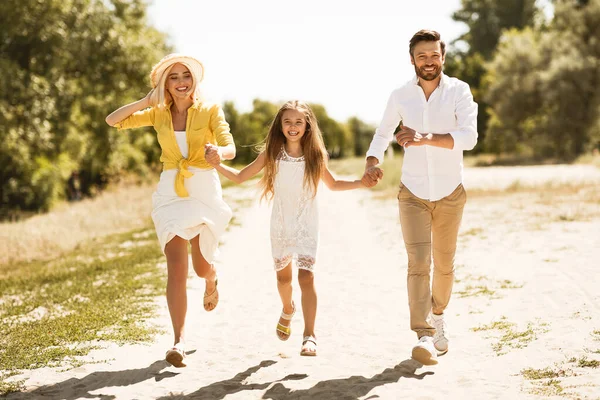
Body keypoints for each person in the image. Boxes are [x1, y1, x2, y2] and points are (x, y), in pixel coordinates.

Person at [205, 100, 366, 356]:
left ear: (307, 125)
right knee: (283, 279)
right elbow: (239, 177)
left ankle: (310, 335)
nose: (293, 126)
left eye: (298, 122)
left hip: (306, 224)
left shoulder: (316, 154)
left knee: (306, 277)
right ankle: (288, 309)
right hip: (280, 224)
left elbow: (333, 184)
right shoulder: (272, 153)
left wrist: (362, 182)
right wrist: (216, 164)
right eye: (287, 121)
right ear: (280, 125)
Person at [105, 53, 236, 367]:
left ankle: (211, 278)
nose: (181, 82)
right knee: (176, 268)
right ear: (165, 83)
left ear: (195, 81)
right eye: (174, 77)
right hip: (170, 192)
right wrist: (145, 101)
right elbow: (114, 120)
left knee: (201, 266)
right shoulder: (158, 113)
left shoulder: (209, 110)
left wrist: (219, 153)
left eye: (186, 76)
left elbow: (229, 146)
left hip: (203, 188)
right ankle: (178, 340)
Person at [363, 30, 478, 365]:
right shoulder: (401, 94)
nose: (429, 62)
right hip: (412, 192)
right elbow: (383, 133)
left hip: (450, 192)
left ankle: (438, 312)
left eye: (434, 55)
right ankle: (424, 334)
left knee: (444, 265)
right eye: (422, 56)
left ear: (443, 57)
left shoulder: (459, 91)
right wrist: (373, 161)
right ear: (412, 59)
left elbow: (468, 138)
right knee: (417, 264)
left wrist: (424, 137)